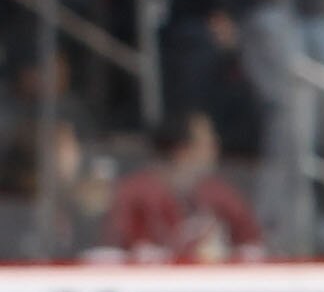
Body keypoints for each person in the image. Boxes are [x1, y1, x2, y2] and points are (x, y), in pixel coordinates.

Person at [106, 109, 267, 259]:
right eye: (207, 143)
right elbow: (119, 248)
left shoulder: (217, 193)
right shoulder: (135, 194)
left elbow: (251, 240)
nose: (215, 149)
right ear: (182, 150)